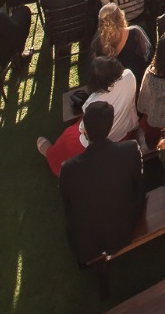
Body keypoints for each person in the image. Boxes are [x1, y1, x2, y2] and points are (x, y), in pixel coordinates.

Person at [58, 99, 146, 265]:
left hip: (90, 242)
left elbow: (68, 206)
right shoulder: (130, 149)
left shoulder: (68, 169)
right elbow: (139, 187)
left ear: (85, 132)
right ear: (110, 127)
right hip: (123, 227)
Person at [39, 56, 137, 175]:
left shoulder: (92, 101)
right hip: (126, 130)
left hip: (99, 141)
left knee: (68, 138)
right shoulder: (129, 75)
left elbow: (85, 132)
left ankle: (52, 154)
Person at [92, 0, 151, 86]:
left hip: (116, 86)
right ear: (120, 16)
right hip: (140, 81)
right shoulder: (135, 32)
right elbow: (149, 56)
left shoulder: (97, 44)